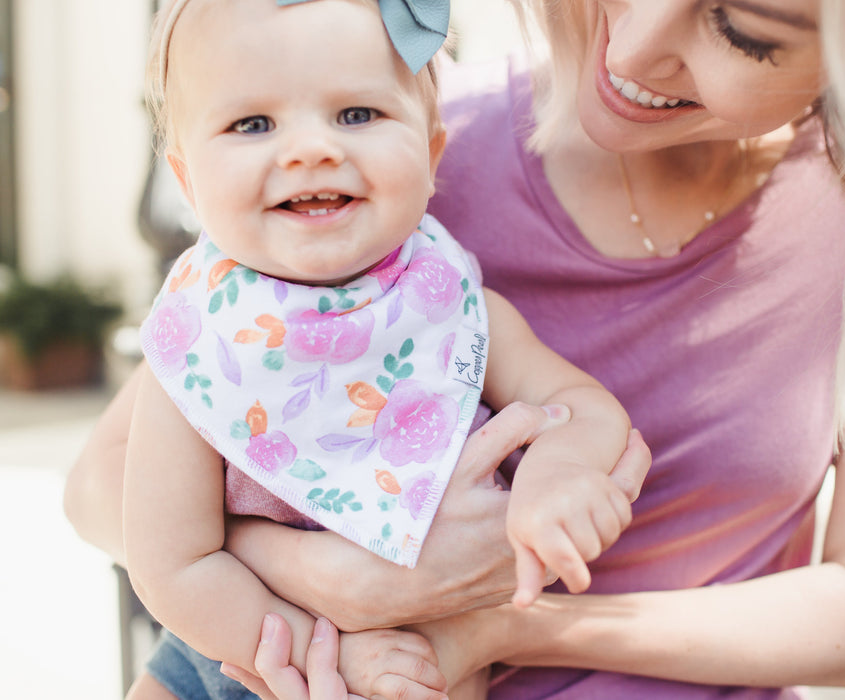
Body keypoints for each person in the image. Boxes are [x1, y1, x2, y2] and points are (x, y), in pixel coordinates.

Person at [64, 0, 845, 697]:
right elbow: (106, 484)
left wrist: (505, 624)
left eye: (742, 32)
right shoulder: (375, 174)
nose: (625, 51)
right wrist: (335, 582)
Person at [120, 0, 635, 698]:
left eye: (357, 115)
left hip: (428, 662)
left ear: (429, 154)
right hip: (231, 657)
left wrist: (560, 473)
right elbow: (173, 564)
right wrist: (324, 656)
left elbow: (579, 405)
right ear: (187, 180)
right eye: (252, 124)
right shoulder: (199, 343)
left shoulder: (453, 306)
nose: (310, 150)